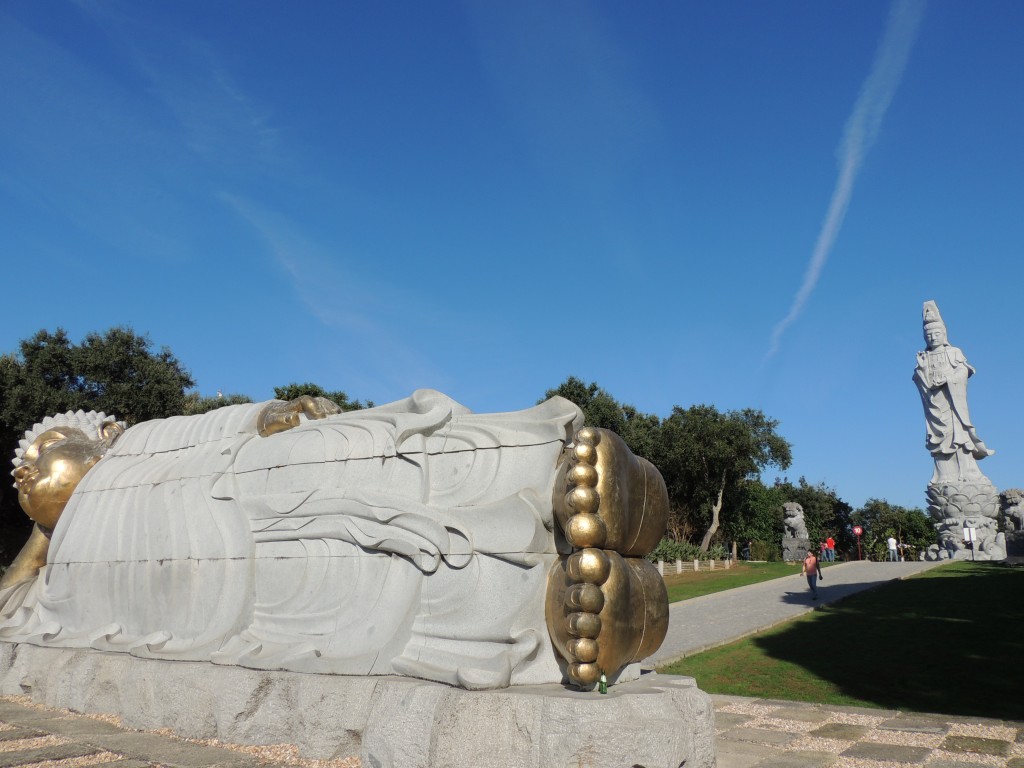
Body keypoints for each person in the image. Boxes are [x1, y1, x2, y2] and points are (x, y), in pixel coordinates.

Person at [0, 390, 670, 690]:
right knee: (346, 569)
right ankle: (555, 608)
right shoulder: (58, 567)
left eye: (45, 451)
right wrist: (41, 541)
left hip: (240, 470)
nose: (31, 472)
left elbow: (222, 426)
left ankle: (556, 475)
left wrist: (273, 415)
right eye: (23, 478)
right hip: (203, 553)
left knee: (367, 453)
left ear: (99, 438)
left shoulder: (142, 441)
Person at [913, 301, 994, 485]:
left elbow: (964, 371)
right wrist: (922, 367)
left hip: (953, 406)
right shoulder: (925, 357)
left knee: (960, 439)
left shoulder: (954, 352)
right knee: (941, 441)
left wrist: (949, 379)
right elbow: (919, 379)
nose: (933, 337)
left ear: (944, 334)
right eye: (929, 335)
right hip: (936, 406)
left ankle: (969, 473)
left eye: (936, 334)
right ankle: (944, 477)